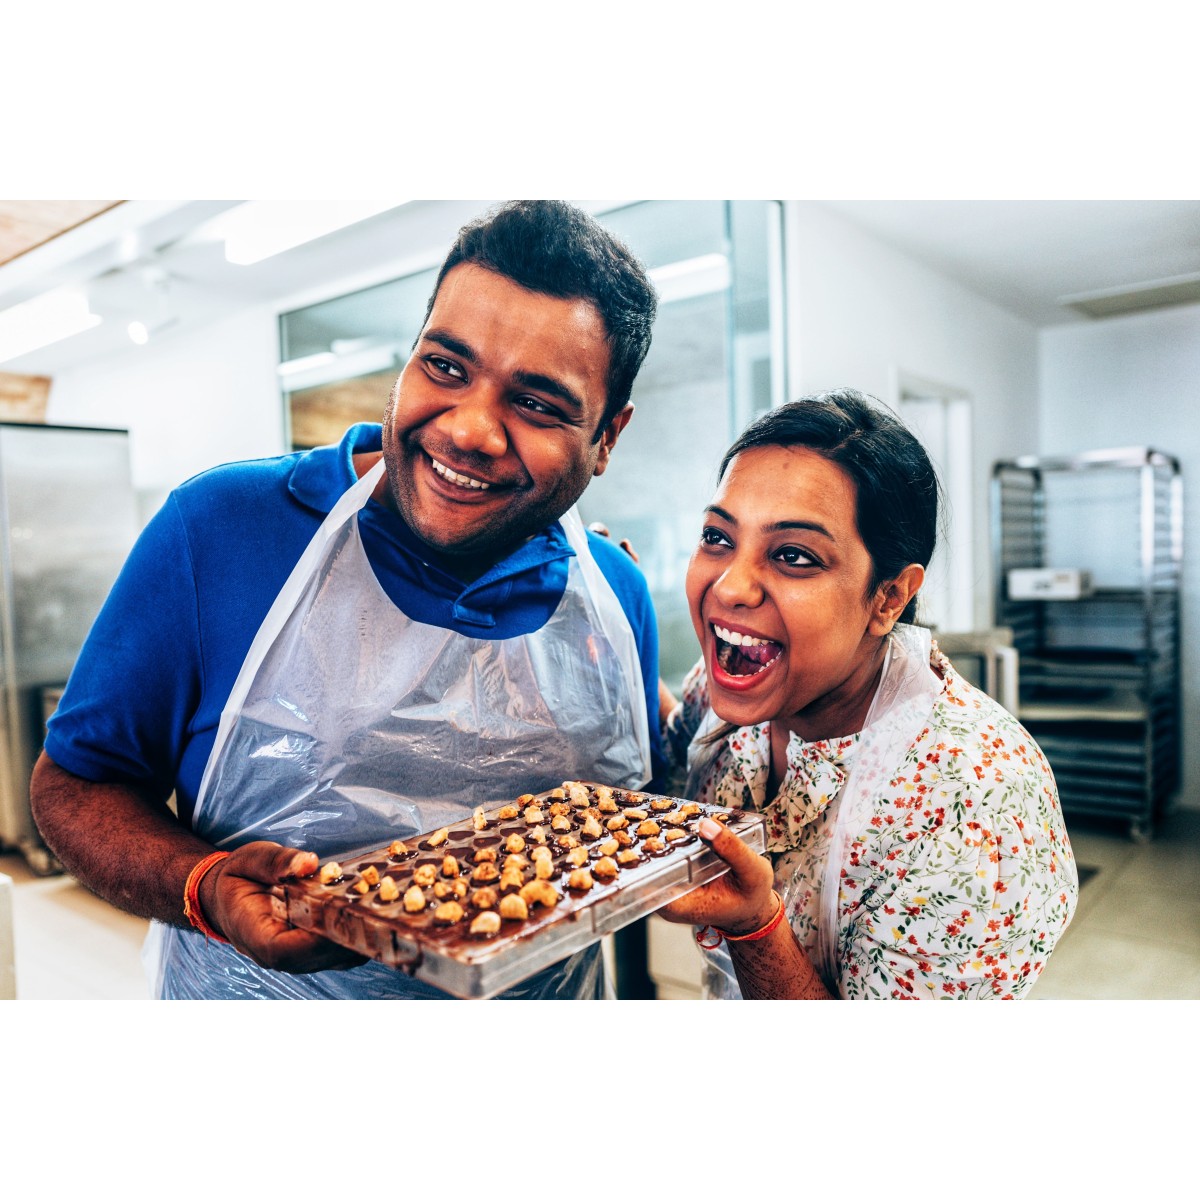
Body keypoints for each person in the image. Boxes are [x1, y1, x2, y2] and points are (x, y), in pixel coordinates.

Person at [29, 200, 664, 1000]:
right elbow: (74, 786)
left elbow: (639, 814)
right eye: (445, 366)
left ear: (607, 436)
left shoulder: (615, 596)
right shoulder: (223, 531)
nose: (470, 428)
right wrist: (208, 887)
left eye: (537, 403)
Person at [658, 389, 1078, 999]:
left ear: (888, 598)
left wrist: (755, 927)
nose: (731, 586)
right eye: (718, 538)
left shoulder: (976, 801)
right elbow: (671, 768)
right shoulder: (729, 681)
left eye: (794, 555)